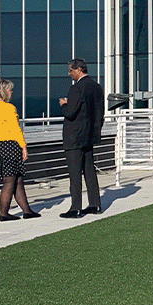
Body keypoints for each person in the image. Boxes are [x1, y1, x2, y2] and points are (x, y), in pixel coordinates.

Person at [0, 79, 40, 222]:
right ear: (3, 92)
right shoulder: (9, 108)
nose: (11, 92)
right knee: (10, 181)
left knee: (17, 179)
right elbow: (15, 129)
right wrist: (24, 147)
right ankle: (4, 213)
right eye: (9, 90)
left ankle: (27, 210)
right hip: (10, 145)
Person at [59, 58, 105, 218]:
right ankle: (95, 204)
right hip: (90, 135)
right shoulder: (97, 87)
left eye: (70, 70)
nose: (69, 74)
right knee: (89, 171)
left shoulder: (77, 89)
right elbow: (100, 113)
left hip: (75, 136)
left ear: (78, 70)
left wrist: (64, 104)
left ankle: (75, 207)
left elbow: (70, 113)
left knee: (75, 173)